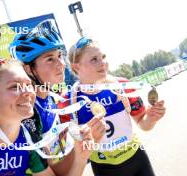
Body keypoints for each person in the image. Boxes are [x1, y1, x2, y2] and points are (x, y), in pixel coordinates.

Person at [10, 22, 106, 175]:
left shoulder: (53, 101)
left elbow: (59, 166)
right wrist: (82, 153)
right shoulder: (27, 115)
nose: (61, 64)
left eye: (59, 56)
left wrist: (83, 145)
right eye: (50, 59)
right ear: (29, 69)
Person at [64, 37, 166, 176]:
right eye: (94, 59)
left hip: (137, 159)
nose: (103, 63)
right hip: (103, 168)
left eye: (103, 57)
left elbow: (144, 125)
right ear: (77, 67)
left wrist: (152, 118)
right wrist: (89, 140)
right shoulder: (68, 101)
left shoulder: (122, 85)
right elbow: (71, 154)